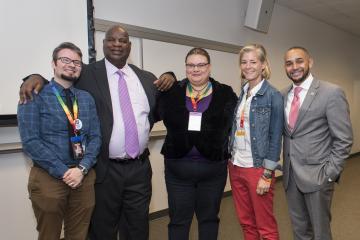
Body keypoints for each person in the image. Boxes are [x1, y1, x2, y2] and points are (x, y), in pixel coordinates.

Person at [19, 25, 175, 240]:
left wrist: (171, 76)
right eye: (111, 40)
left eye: (123, 41)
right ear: (103, 44)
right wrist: (35, 76)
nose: (117, 44)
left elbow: (159, 109)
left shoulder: (147, 78)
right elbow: (61, 81)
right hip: (104, 169)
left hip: (139, 168)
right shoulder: (87, 73)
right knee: (102, 229)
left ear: (130, 46)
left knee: (138, 227)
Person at [17, 42, 101, 240]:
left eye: (77, 62)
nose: (71, 65)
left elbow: (96, 137)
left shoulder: (86, 98)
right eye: (65, 60)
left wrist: (82, 169)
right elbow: (30, 141)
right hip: (49, 177)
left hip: (83, 176)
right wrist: (63, 172)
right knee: (49, 235)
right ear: (53, 64)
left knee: (78, 235)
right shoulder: (34, 95)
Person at [157, 47, 237, 240]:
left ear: (209, 67)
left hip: (213, 171)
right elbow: (149, 113)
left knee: (209, 220)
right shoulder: (172, 91)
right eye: (191, 65)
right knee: (178, 220)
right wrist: (167, 75)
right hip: (178, 171)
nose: (195, 69)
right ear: (185, 68)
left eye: (200, 64)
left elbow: (236, 126)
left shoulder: (225, 93)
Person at [282, 46, 353, 240]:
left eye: (299, 61)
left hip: (318, 176)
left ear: (310, 62)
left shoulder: (331, 93)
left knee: (321, 233)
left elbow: (344, 138)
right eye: (289, 63)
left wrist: (330, 173)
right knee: (299, 230)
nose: (294, 67)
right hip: (290, 176)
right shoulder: (283, 95)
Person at [228, 44, 283, 240]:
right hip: (235, 166)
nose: (248, 66)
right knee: (246, 222)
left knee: (265, 226)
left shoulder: (273, 95)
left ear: (263, 65)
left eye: (253, 61)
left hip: (258, 168)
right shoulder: (243, 93)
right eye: (244, 62)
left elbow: (276, 137)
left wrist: (267, 174)